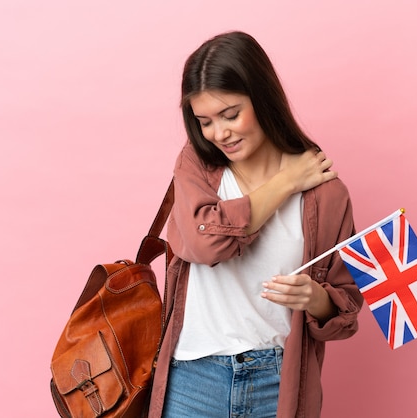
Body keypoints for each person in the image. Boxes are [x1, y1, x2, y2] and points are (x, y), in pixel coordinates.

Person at [148, 31, 364, 418]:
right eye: (205, 122)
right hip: (193, 380)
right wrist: (286, 183)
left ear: (262, 97)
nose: (219, 133)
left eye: (231, 115)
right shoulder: (198, 166)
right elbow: (204, 245)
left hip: (278, 383)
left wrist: (315, 299)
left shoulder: (327, 195)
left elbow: (346, 309)